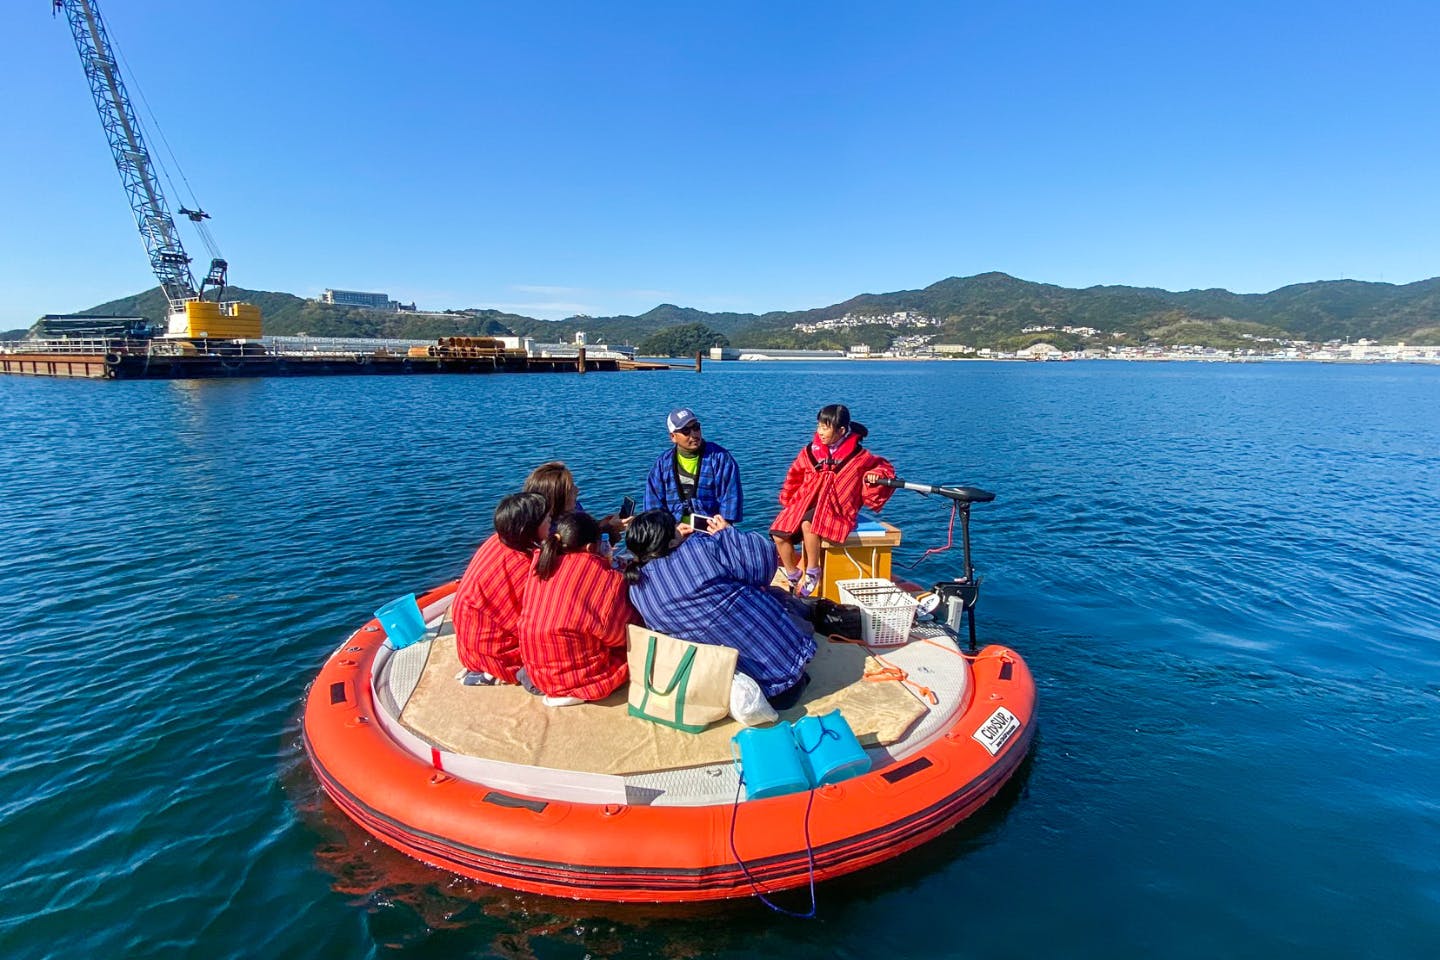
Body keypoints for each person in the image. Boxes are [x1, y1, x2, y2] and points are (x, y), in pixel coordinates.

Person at [624, 509, 815, 709]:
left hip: (727, 691)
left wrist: (676, 539)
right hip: (786, 675)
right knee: (775, 594)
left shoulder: (636, 590)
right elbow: (765, 566)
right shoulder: (700, 549)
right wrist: (727, 534)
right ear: (670, 542)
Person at [770, 403, 896, 597]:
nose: (820, 432)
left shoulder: (859, 456)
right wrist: (788, 500)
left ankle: (813, 570)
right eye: (819, 426)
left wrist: (875, 474)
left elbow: (883, 467)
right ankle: (793, 573)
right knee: (779, 533)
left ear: (842, 430)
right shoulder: (810, 452)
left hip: (837, 507)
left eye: (826, 427)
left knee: (808, 523)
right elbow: (794, 475)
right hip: (807, 502)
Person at [517, 511, 638, 704]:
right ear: (591, 547)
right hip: (575, 677)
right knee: (634, 647)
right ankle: (578, 690)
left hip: (537, 672)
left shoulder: (540, 563)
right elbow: (619, 635)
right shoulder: (602, 577)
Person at [452, 492, 550, 682]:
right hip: (494, 651)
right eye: (547, 519)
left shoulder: (498, 541)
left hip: (471, 642)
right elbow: (534, 620)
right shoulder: (522, 566)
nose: (551, 522)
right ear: (529, 528)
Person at [643, 407, 743, 525]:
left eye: (696, 427)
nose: (694, 434)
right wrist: (671, 534)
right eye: (686, 431)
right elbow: (653, 508)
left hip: (712, 533)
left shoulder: (721, 459)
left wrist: (721, 531)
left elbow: (730, 500)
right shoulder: (661, 465)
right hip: (674, 535)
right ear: (673, 437)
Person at [525, 460, 627, 538]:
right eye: (570, 490)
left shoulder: (575, 507)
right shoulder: (547, 531)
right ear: (556, 499)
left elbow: (585, 533)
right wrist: (609, 529)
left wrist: (601, 524)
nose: (577, 490)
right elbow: (577, 546)